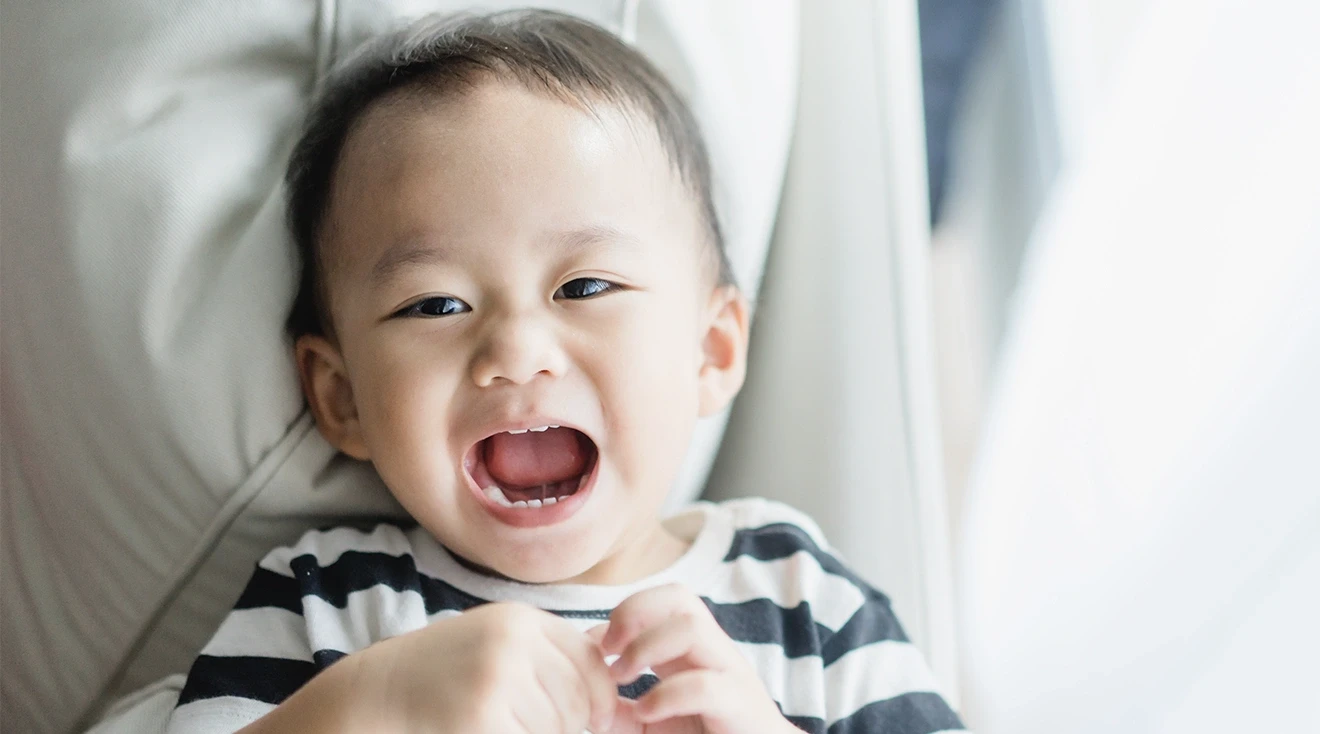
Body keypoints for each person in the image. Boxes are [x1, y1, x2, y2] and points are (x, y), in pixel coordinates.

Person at [165, 9, 965, 734]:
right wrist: (374, 705)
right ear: (340, 396)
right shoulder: (330, 604)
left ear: (711, 350)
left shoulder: (802, 603)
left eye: (585, 287)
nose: (515, 351)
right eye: (436, 305)